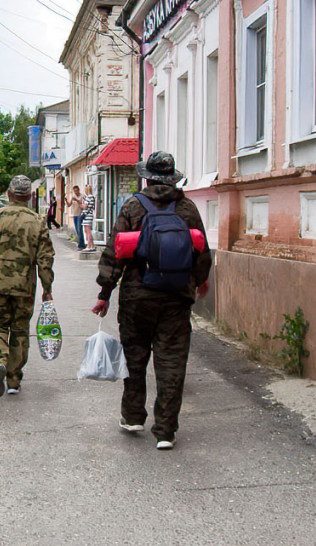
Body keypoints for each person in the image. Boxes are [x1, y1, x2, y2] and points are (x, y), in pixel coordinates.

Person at [92, 151, 212, 451]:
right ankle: (166, 430)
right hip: (175, 299)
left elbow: (115, 252)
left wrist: (105, 293)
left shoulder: (133, 206)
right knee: (171, 362)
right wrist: (200, 280)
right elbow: (201, 250)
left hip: (137, 298)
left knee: (135, 359)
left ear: (147, 177)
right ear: (173, 177)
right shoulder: (186, 207)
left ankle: (133, 416)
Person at [0, 175, 55, 398]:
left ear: (10, 194)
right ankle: (14, 379)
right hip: (24, 286)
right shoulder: (38, 221)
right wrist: (47, 289)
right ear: (29, 196)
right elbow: (45, 258)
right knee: (21, 331)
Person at [66, 186, 85, 250]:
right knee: (77, 230)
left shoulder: (82, 196)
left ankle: (81, 245)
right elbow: (69, 205)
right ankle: (81, 243)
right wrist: (66, 200)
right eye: (74, 191)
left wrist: (76, 200)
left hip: (80, 214)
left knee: (80, 230)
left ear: (78, 190)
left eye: (76, 191)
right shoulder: (73, 197)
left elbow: (82, 204)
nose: (75, 192)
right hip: (75, 215)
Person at [81, 184, 96, 252]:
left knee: (87, 231)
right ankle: (92, 245)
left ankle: (89, 245)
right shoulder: (92, 197)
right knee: (87, 231)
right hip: (89, 215)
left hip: (87, 215)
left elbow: (84, 206)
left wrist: (82, 205)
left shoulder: (88, 197)